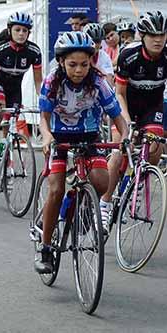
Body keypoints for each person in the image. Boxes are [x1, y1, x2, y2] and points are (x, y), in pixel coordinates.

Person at [35, 31, 129, 273]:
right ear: (61, 62)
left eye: (84, 64)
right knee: (55, 189)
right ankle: (45, 248)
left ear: (92, 62)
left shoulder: (98, 83)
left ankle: (75, 207)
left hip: (88, 135)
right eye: (72, 64)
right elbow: (43, 118)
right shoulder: (51, 81)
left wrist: (125, 140)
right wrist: (46, 137)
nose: (79, 70)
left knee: (101, 181)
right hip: (59, 137)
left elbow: (119, 119)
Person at [101, 11, 167, 232]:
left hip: (152, 106)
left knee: (156, 145)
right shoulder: (128, 55)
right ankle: (105, 202)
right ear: (142, 35)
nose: (158, 39)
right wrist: (127, 124)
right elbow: (119, 93)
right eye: (152, 35)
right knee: (120, 149)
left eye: (163, 34)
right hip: (126, 104)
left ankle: (136, 184)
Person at [0, 12, 43, 163]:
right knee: (0, 110)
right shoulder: (0, 50)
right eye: (17, 30)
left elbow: (38, 81)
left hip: (15, 87)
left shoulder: (34, 52)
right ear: (10, 31)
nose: (21, 34)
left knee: (11, 120)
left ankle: (5, 153)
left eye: (25, 31)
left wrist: (43, 101)